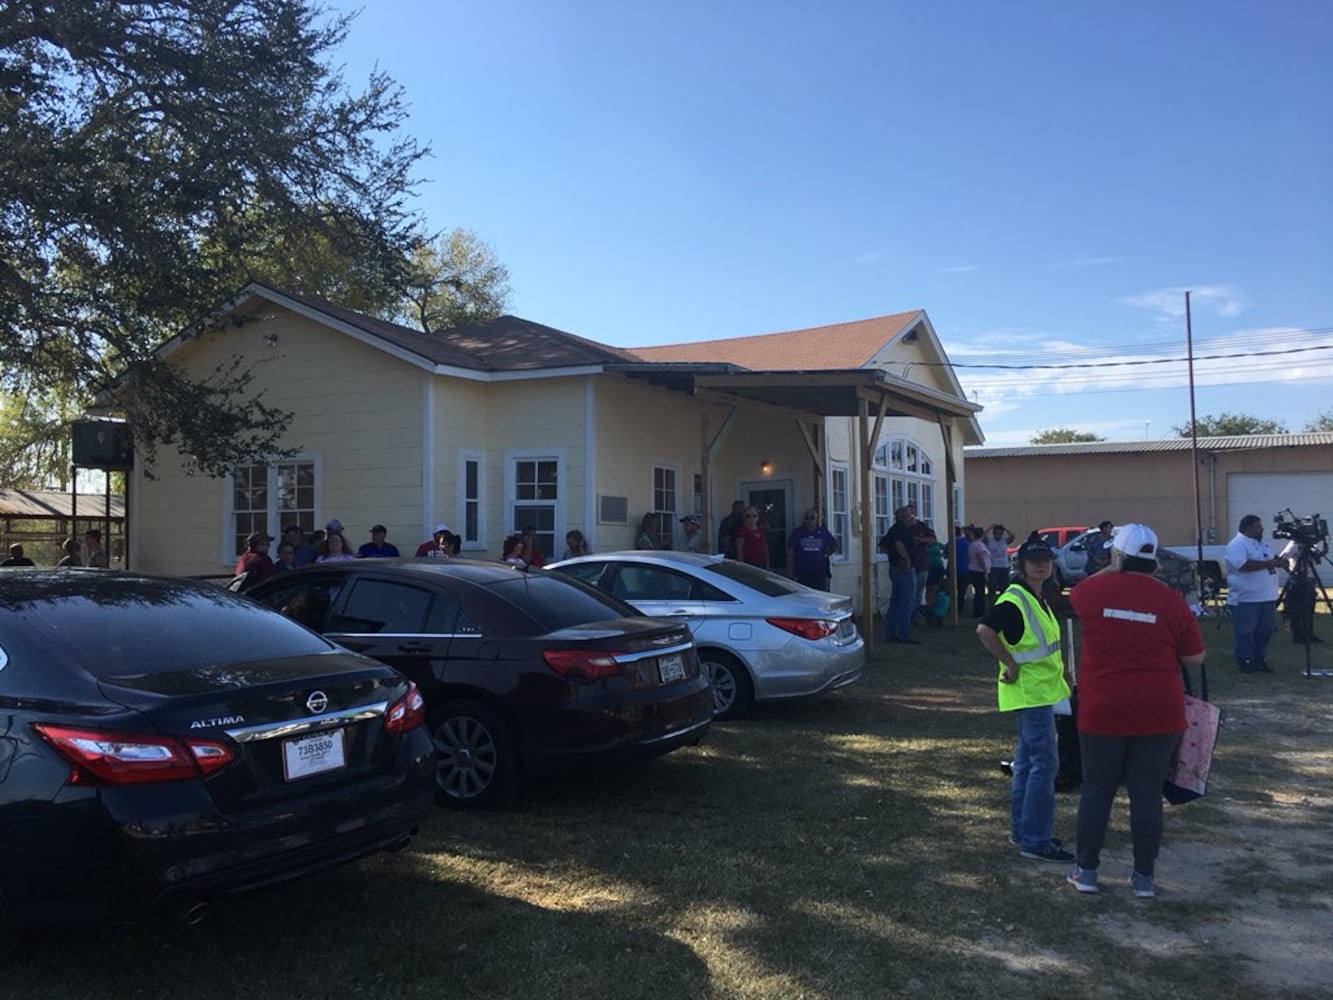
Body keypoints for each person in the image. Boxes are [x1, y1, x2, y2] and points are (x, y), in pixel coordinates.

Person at [1066, 523, 1205, 897]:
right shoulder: (1171, 600)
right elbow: (1195, 656)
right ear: (1155, 561)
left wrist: (1114, 566)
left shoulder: (1092, 591)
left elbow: (1078, 594)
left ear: (1117, 555)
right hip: (1159, 709)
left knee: (1097, 790)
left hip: (1104, 708)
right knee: (1146, 794)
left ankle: (1087, 872)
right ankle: (1143, 879)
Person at [975, 534, 1074, 864]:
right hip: (1030, 691)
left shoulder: (1037, 595)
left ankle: (1022, 830)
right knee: (1044, 764)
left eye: (1046, 559)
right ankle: (1035, 839)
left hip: (1041, 688)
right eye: (1035, 560)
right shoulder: (1016, 598)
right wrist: (1009, 662)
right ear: (1022, 565)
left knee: (1029, 764)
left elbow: (1045, 645)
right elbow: (985, 630)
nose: (1042, 565)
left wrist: (1063, 673)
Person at [1225, 513, 1283, 673]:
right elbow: (1242, 565)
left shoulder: (1263, 544)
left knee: (1266, 630)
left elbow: (1271, 560)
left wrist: (1279, 562)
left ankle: (1260, 659)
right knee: (1246, 631)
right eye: (1258, 526)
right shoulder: (1237, 544)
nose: (1261, 529)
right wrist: (1268, 564)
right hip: (1246, 598)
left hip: (1268, 596)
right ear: (1247, 528)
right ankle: (1245, 660)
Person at [880, 506, 920, 644]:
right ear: (903, 517)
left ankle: (890, 633)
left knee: (895, 602)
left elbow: (883, 545)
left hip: (894, 569)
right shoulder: (902, 530)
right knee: (906, 602)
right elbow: (898, 544)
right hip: (904, 570)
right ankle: (905, 634)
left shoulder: (893, 529)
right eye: (910, 515)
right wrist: (905, 559)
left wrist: (893, 558)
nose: (912, 517)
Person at [1280, 537, 1322, 644]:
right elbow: (1282, 559)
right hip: (1299, 581)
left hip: (1310, 580)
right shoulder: (1294, 545)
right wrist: (1292, 573)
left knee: (1309, 609)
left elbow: (1317, 558)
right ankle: (1298, 636)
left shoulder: (1310, 545)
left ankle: (1309, 635)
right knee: (1298, 610)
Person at [787, 509, 837, 590]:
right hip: (801, 573)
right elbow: (790, 551)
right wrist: (789, 571)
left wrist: (826, 554)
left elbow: (834, 545)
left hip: (819, 573)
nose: (809, 520)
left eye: (812, 518)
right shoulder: (797, 532)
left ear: (817, 519)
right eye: (807, 518)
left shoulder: (823, 532)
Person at [984, 524, 1015, 608]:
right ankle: (991, 606)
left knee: (1004, 588)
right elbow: (983, 537)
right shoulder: (990, 540)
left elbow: (1012, 536)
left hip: (1003, 567)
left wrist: (1005, 528)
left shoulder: (1004, 540)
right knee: (992, 589)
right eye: (996, 533)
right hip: (993, 567)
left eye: (1000, 533)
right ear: (993, 533)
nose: (998, 535)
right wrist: (990, 528)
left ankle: (1004, 605)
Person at [967, 526, 991, 618]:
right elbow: (981, 558)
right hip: (979, 571)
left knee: (978, 592)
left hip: (972, 569)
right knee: (980, 593)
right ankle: (979, 612)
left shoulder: (972, 544)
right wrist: (985, 571)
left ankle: (977, 612)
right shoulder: (979, 545)